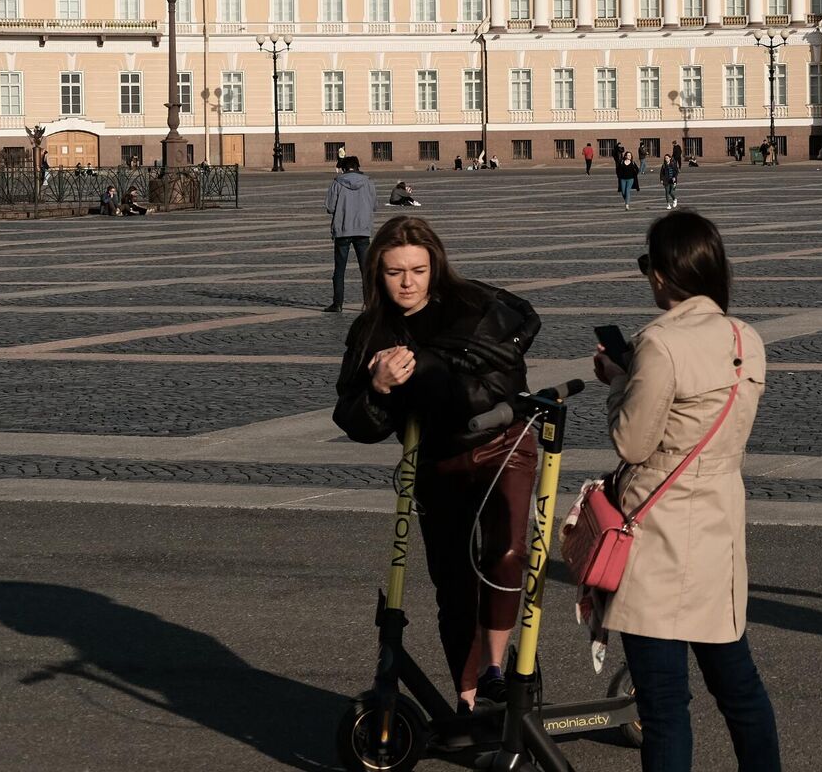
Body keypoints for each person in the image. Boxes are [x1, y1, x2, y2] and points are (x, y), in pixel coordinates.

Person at [588, 211, 782, 772]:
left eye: (649, 264)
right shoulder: (747, 338)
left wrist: (618, 380)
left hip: (658, 533)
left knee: (665, 705)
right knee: (738, 687)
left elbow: (632, 441)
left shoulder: (659, 342)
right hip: (719, 526)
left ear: (665, 275)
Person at [332, 215, 543, 714]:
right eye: (395, 272)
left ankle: (496, 672)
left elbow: (506, 375)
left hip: (500, 445)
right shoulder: (371, 331)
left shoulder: (472, 305)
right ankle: (467, 700)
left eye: (418, 270)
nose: (408, 282)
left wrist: (435, 377)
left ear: (435, 267)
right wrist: (380, 387)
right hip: (434, 459)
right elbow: (353, 418)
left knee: (506, 550)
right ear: (376, 275)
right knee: (451, 580)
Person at [325, 156, 376, 312]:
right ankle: (369, 303)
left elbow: (330, 207)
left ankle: (338, 304)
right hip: (362, 230)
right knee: (366, 270)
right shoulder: (368, 182)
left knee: (339, 269)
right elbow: (374, 205)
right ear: (358, 167)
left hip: (342, 230)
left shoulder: (337, 183)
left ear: (343, 168)